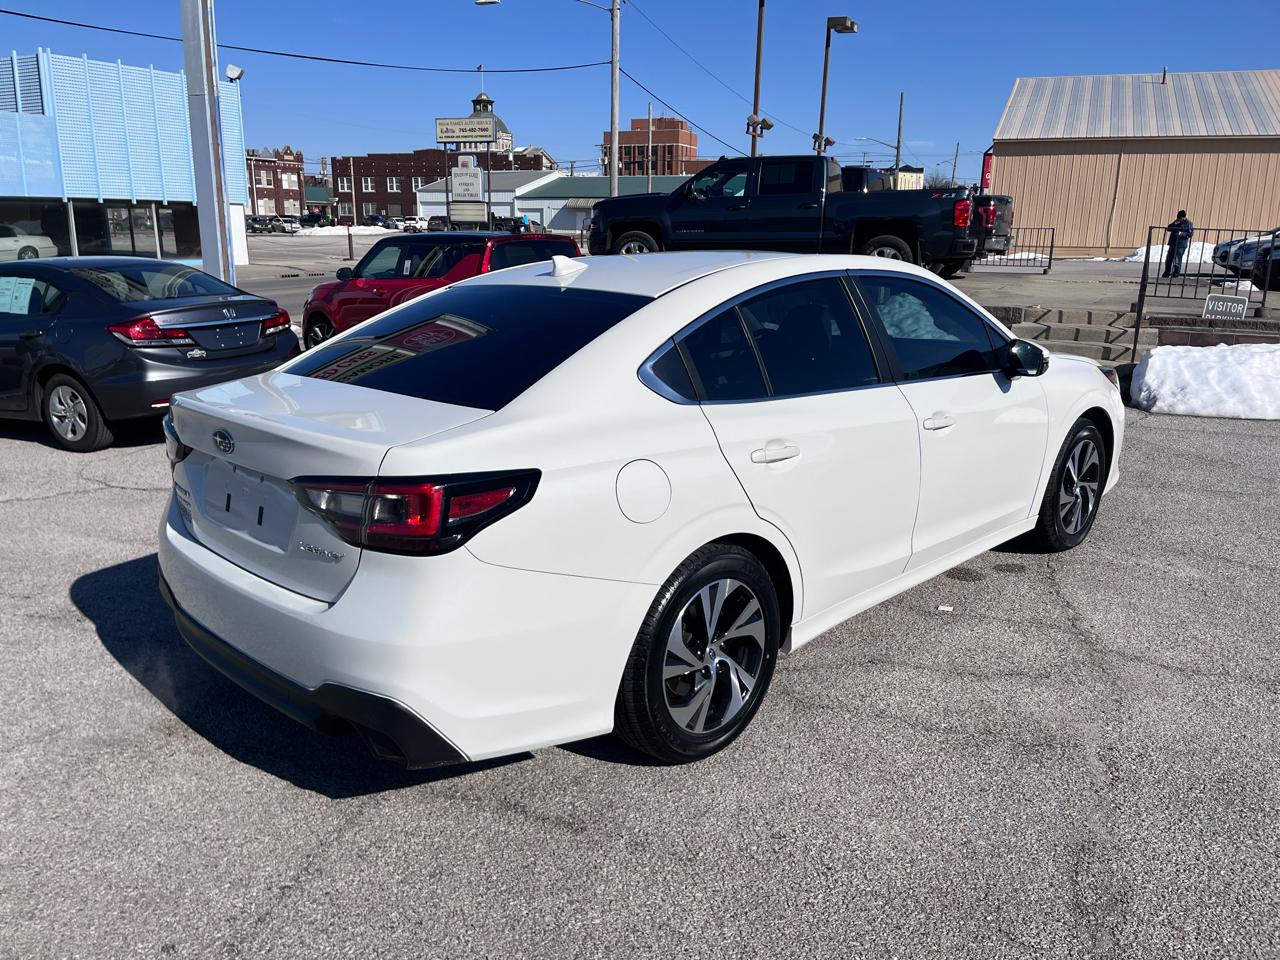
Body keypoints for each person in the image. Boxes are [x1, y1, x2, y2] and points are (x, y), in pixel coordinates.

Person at [1162, 209, 1194, 278]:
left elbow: (1190, 234)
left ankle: (1176, 274)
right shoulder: (1177, 222)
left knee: (1177, 260)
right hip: (1173, 243)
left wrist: (1181, 234)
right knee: (1168, 259)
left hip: (1181, 244)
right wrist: (1174, 223)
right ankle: (1167, 273)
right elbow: (1168, 228)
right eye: (1178, 217)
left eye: (1180, 218)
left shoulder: (1188, 223)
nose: (1179, 219)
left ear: (1183, 217)